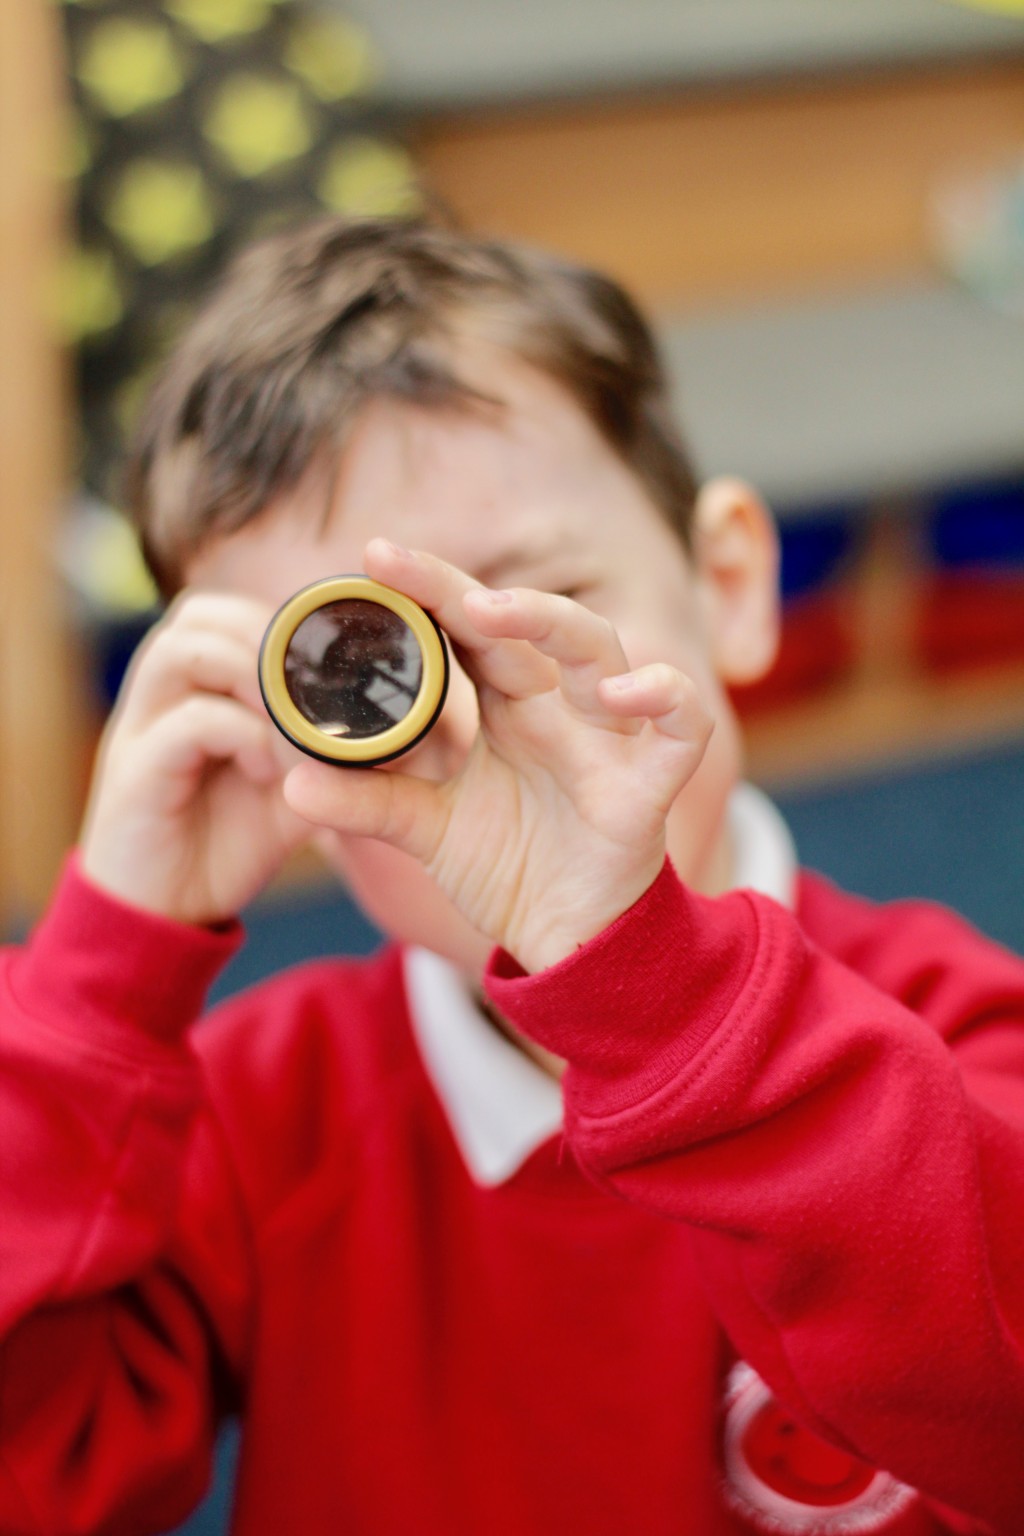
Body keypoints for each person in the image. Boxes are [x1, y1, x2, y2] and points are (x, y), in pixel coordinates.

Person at [1, 216, 1022, 1536]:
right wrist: (97, 982)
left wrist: (660, 997)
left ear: (729, 583)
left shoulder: (955, 1035)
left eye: (526, 614)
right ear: (265, 738)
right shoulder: (260, 1118)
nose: (475, 736)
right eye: (356, 679)